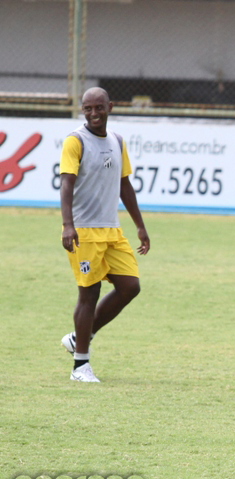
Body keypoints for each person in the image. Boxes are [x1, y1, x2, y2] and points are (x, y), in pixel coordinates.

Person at [59, 87, 150, 382]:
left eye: (99, 107)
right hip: (84, 231)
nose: (94, 114)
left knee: (130, 287)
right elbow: (66, 184)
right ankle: (80, 366)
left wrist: (139, 224)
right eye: (88, 109)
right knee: (89, 294)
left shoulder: (117, 141)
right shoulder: (75, 141)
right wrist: (67, 224)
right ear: (82, 111)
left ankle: (80, 337)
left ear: (110, 106)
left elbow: (124, 185)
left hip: (111, 229)